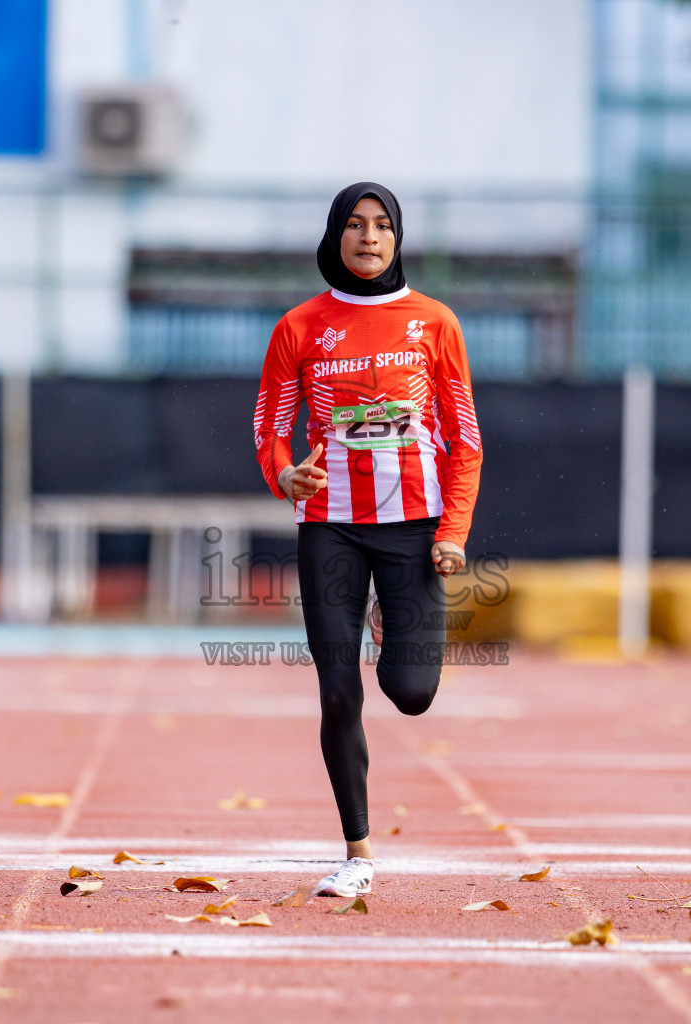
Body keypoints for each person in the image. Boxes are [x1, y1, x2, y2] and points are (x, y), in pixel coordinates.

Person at [253, 182, 483, 895]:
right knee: (336, 693)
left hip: (414, 530)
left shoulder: (434, 323)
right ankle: (357, 853)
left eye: (382, 226)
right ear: (335, 236)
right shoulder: (300, 326)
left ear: (398, 238)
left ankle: (392, 623)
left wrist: (453, 533)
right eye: (355, 225)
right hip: (330, 530)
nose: (369, 238)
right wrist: (284, 475)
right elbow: (269, 427)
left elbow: (467, 440)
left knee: (411, 694)